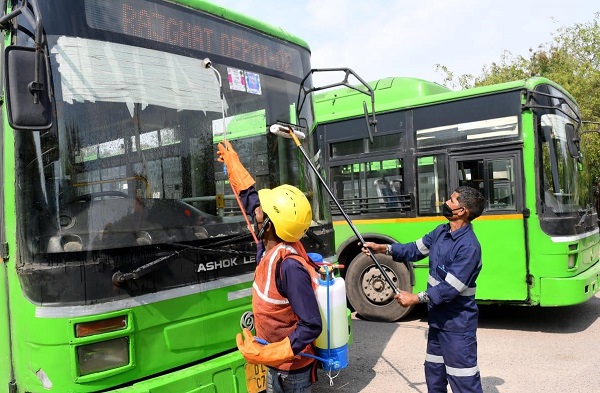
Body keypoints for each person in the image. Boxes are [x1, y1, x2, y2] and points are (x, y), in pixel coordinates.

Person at [217, 140, 322, 393]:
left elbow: (311, 325)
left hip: (293, 371)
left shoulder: (289, 266)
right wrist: (234, 165)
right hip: (275, 365)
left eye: (263, 213)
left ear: (271, 225)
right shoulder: (270, 244)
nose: (257, 213)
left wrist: (269, 354)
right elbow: (251, 200)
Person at [362, 186, 486, 393]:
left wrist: (415, 298)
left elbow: (449, 289)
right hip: (437, 321)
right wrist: (383, 248)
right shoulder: (441, 231)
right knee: (434, 376)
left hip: (457, 326)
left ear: (462, 210)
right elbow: (414, 249)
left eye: (452, 200)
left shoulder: (469, 247)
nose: (446, 202)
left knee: (463, 381)